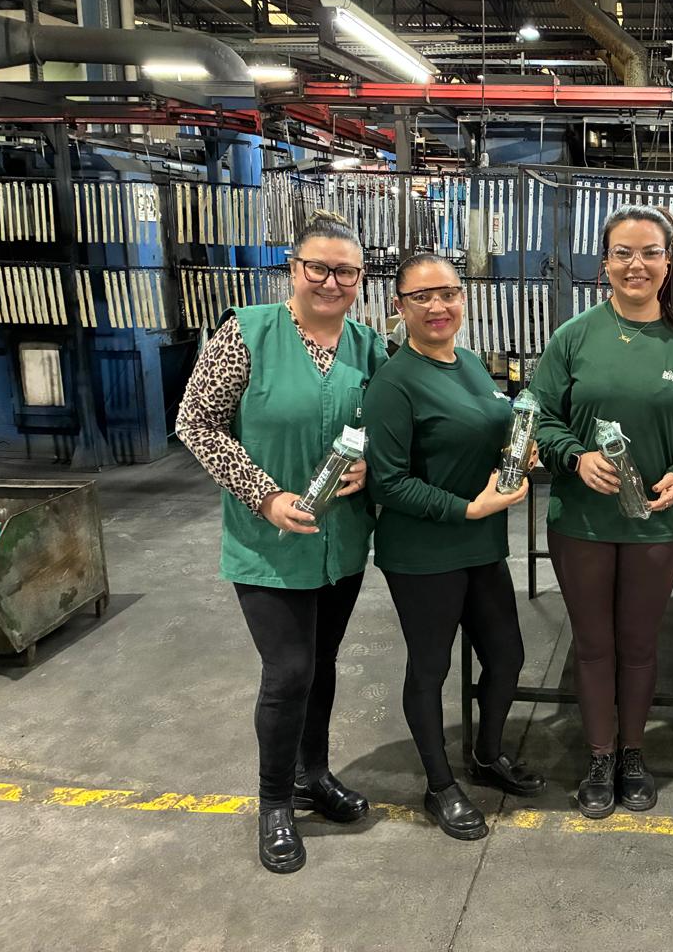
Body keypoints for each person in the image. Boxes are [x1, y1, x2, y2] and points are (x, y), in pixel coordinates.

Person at [177, 209, 387, 874]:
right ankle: (274, 802)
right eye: (317, 267)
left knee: (321, 665)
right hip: (268, 542)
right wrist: (265, 496)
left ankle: (312, 775)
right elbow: (197, 422)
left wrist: (371, 461)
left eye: (346, 272)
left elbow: (386, 424)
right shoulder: (246, 332)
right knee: (289, 670)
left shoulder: (368, 346)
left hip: (340, 541)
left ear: (361, 279)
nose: (331, 281)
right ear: (293, 270)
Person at [531, 204, 673, 819]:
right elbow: (540, 416)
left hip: (655, 523)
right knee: (592, 645)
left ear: (669, 263)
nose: (637, 265)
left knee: (638, 645)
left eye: (650, 253)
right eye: (623, 253)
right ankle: (599, 755)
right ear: (605, 263)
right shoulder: (574, 337)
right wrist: (575, 457)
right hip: (581, 522)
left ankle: (633, 753)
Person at [363, 253, 545, 841]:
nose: (438, 306)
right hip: (424, 552)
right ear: (400, 306)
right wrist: (468, 508)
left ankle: (487, 755)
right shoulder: (393, 384)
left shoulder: (468, 363)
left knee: (507, 655)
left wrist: (517, 453)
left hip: (481, 543)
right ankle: (439, 784)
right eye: (422, 297)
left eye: (448, 292)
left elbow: (481, 433)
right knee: (431, 666)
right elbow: (389, 483)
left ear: (463, 298)